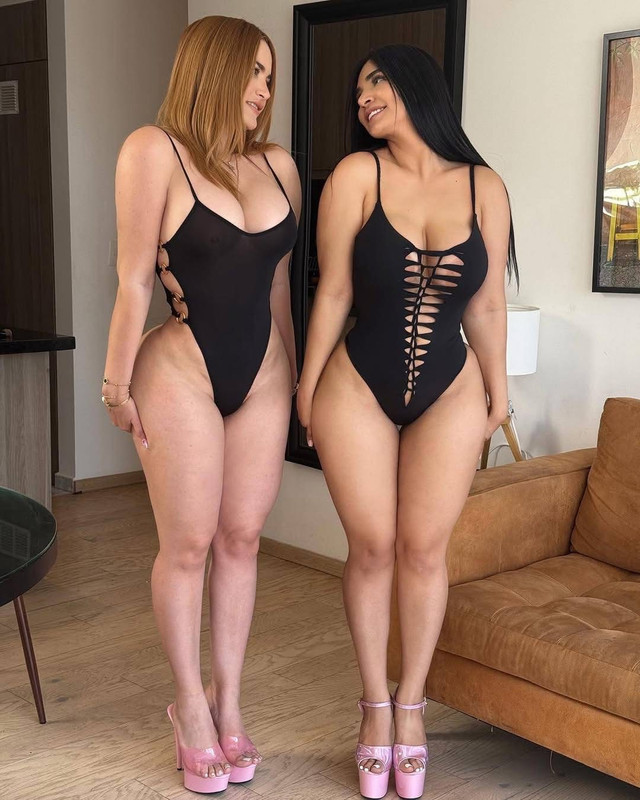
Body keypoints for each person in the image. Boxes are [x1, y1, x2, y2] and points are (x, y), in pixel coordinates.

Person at [297, 44, 517, 800]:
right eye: (358, 88)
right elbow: (332, 291)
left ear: (418, 87)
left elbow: (487, 304)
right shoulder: (358, 175)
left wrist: (499, 392)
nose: (363, 97)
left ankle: (412, 708)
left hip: (451, 388)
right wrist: (306, 385)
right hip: (356, 384)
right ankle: (373, 708)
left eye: (378, 81)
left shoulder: (485, 185)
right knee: (373, 547)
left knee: (424, 550)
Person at [102, 16, 300, 794]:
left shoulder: (278, 165)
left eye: (269, 76)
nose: (263, 90)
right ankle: (188, 707)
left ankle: (229, 702)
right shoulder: (153, 151)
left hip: (264, 376)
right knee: (188, 544)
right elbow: (132, 279)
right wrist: (115, 384)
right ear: (213, 68)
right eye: (253, 71)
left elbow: (279, 287)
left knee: (243, 538)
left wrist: (297, 380)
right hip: (179, 369)